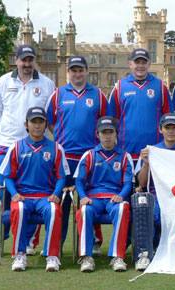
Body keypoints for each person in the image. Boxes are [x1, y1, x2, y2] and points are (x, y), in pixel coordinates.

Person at [0, 45, 55, 257]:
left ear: (35, 60)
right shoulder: (2, 82)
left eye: (30, 60)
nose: (27, 64)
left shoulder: (46, 83)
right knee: (2, 192)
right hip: (7, 146)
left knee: (33, 193)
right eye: (23, 60)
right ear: (15, 60)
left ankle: (27, 242)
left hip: (35, 147)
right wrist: (11, 131)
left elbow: (51, 114)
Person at [46, 55, 109, 251]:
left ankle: (94, 242)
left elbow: (106, 124)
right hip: (64, 158)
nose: (77, 73)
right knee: (62, 203)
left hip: (90, 158)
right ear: (68, 72)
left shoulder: (98, 95)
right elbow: (50, 121)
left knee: (90, 199)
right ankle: (57, 243)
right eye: (74, 70)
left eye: (81, 70)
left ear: (87, 71)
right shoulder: (58, 95)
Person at [0, 107, 69, 271]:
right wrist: (14, 194)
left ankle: (52, 256)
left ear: (46, 125)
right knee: (19, 210)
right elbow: (8, 176)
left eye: (40, 122)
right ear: (26, 124)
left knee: (54, 209)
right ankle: (20, 255)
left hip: (45, 196)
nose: (37, 126)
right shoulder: (16, 147)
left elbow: (61, 176)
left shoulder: (56, 148)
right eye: (33, 122)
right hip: (24, 196)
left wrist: (56, 194)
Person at [134, 113, 175, 271]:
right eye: (167, 128)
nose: (170, 131)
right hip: (158, 196)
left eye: (174, 127)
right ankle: (145, 254)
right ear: (160, 129)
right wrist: (146, 164)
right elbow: (141, 182)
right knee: (147, 208)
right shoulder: (151, 151)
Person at [74, 116, 133, 272]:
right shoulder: (89, 155)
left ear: (116, 134)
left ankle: (117, 256)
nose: (107, 136)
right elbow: (79, 181)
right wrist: (83, 197)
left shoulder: (124, 156)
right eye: (104, 132)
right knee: (85, 211)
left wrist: (121, 195)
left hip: (115, 198)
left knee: (123, 209)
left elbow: (128, 183)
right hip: (94, 199)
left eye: (110, 132)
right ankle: (86, 257)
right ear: (97, 134)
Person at [109, 48, 172, 163]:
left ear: (149, 64)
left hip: (154, 151)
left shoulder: (160, 86)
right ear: (130, 64)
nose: (140, 66)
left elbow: (168, 118)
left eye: (144, 62)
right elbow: (113, 120)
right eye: (137, 62)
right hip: (127, 150)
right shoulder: (120, 87)